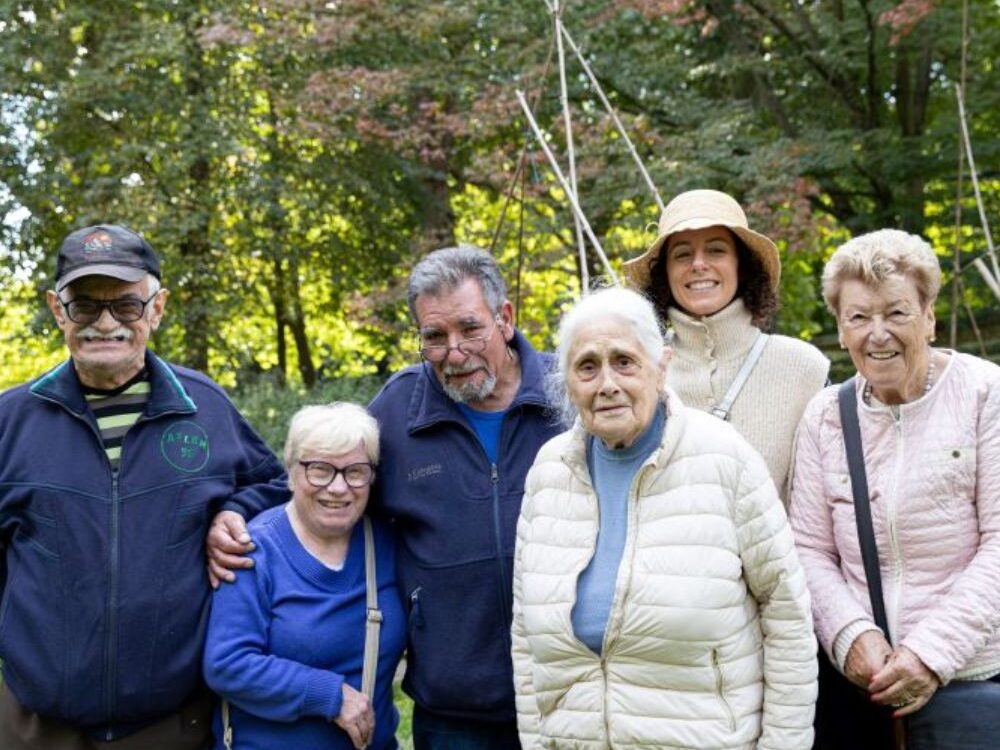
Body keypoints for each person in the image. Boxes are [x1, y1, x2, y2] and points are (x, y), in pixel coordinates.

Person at [0, 224, 287, 750]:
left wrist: (233, 512)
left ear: (157, 308)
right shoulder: (11, 420)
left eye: (127, 305)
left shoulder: (205, 407)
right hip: (33, 726)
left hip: (171, 726)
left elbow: (275, 485)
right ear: (57, 309)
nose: (105, 323)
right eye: (85, 306)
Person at [512, 286, 817, 749]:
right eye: (587, 367)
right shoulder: (549, 472)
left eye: (625, 361)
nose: (607, 383)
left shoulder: (724, 458)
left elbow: (787, 615)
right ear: (568, 383)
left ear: (661, 368)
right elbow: (525, 638)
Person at [789, 229, 1000, 748]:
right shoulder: (825, 418)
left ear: (929, 316)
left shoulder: (985, 395)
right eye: (859, 317)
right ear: (840, 330)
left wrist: (929, 654)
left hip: (973, 679)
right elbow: (809, 549)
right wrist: (851, 637)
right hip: (864, 689)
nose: (877, 333)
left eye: (896, 313)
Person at [367, 245, 562, 749]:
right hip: (455, 708)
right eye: (434, 337)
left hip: (568, 691)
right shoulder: (396, 411)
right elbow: (325, 500)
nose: (454, 352)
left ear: (505, 318)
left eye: (470, 328)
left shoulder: (571, 395)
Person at [203, 402, 406, 750]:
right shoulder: (252, 549)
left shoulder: (386, 544)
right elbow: (227, 664)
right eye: (320, 470)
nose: (339, 487)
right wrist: (330, 696)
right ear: (291, 472)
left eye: (355, 471)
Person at [623, 188, 829, 499]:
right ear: (665, 274)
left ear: (741, 265)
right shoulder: (635, 369)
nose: (699, 264)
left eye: (716, 250)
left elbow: (825, 502)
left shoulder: (804, 368)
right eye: (682, 254)